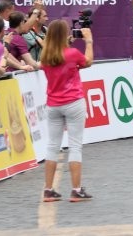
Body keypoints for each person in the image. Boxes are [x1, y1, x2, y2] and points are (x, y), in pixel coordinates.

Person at [40, 20, 94, 202]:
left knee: (52, 146)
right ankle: (76, 189)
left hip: (53, 104)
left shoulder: (46, 55)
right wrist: (88, 41)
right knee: (75, 146)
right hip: (73, 102)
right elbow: (88, 62)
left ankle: (48, 189)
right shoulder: (72, 54)